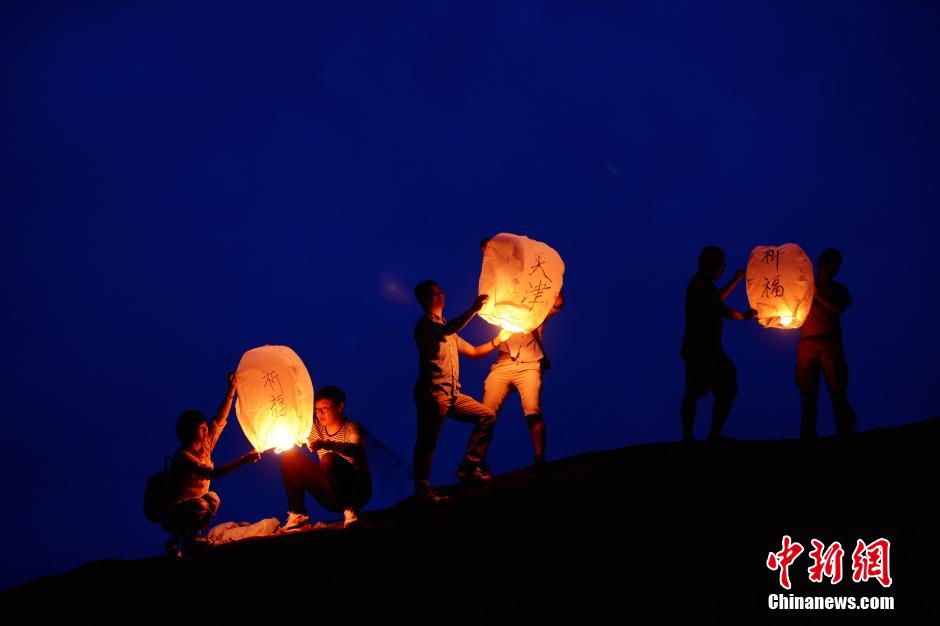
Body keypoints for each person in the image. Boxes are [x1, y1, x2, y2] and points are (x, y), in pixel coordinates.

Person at [412, 280, 511, 503]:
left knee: (487, 416)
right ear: (425, 300)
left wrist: (498, 340)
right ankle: (423, 489)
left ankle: (469, 467)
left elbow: (474, 351)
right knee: (427, 443)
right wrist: (474, 309)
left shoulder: (448, 330)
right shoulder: (426, 326)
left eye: (440, 291)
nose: (441, 295)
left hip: (452, 394)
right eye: (434, 293)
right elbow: (448, 329)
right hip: (433, 394)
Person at [479, 237, 564, 467]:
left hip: (529, 361)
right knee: (485, 414)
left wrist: (543, 275)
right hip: (504, 361)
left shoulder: (532, 302)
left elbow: (558, 302)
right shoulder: (499, 292)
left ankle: (539, 457)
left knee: (532, 411)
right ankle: (474, 463)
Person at [163, 373, 261, 558]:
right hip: (175, 510)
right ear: (190, 433)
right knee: (200, 505)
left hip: (194, 506)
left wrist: (231, 391)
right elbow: (213, 474)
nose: (206, 429)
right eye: (201, 428)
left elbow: (219, 421)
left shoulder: (205, 445)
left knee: (212, 499)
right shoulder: (184, 457)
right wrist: (244, 460)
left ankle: (183, 539)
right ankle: (187, 543)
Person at [680, 246, 757, 443]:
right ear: (712, 264)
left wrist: (735, 280)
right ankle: (695, 437)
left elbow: (715, 300)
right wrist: (742, 315)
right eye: (721, 264)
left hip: (705, 348)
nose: (723, 267)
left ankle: (704, 435)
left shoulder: (703, 285)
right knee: (699, 390)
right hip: (701, 349)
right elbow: (717, 306)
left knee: (715, 387)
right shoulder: (699, 285)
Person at [280, 386, 372, 531]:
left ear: (340, 407)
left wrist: (327, 444)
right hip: (331, 494)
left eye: (324, 409)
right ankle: (298, 515)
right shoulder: (316, 428)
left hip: (356, 491)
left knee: (328, 459)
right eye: (317, 409)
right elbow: (297, 424)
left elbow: (356, 450)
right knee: (290, 458)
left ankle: (350, 511)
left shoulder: (352, 428)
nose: (319, 413)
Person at [796, 248, 856, 439]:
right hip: (806, 343)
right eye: (829, 263)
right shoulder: (803, 286)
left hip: (830, 342)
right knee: (807, 391)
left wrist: (816, 295)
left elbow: (837, 309)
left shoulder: (839, 290)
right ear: (821, 263)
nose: (832, 268)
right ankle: (808, 433)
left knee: (837, 387)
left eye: (835, 265)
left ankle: (845, 429)